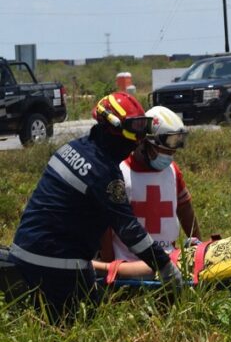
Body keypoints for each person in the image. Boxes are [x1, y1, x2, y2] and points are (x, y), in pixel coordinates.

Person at [9, 93, 183, 322]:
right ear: (111, 128)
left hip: (24, 254)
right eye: (134, 134)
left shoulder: (71, 149)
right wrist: (165, 267)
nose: (138, 142)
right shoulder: (103, 173)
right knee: (87, 324)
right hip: (56, 266)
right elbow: (130, 229)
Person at [93, 106, 202, 283]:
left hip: (169, 263)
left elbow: (185, 209)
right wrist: (110, 266)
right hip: (128, 268)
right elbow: (106, 227)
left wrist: (199, 247)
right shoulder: (119, 172)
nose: (169, 156)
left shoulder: (173, 171)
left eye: (172, 152)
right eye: (164, 151)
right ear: (143, 143)